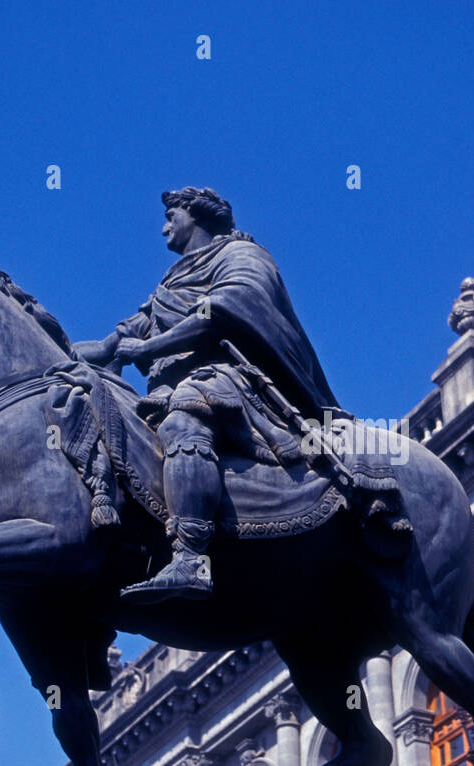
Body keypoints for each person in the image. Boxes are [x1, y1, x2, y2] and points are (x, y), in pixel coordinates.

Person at [74, 187, 340, 604]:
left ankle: (190, 556)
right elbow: (117, 340)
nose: (164, 227)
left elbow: (225, 305)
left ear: (195, 216)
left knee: (185, 415)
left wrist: (149, 350)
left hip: (237, 380)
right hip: (172, 388)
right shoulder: (173, 279)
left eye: (171, 216)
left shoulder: (241, 255)